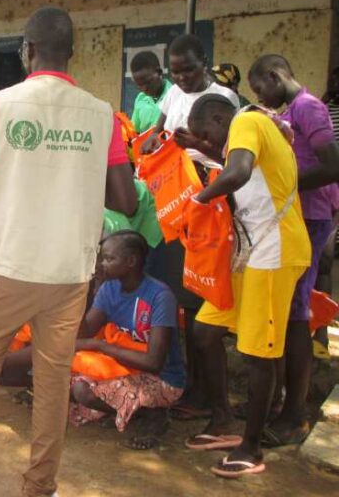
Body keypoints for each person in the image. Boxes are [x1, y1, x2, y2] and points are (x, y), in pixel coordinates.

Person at [0, 6, 137, 497]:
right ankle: (40, 488)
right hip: (68, 274)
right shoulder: (100, 113)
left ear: (27, 52)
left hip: (7, 264)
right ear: (72, 53)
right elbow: (125, 201)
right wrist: (77, 171)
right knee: (52, 381)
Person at [183, 94, 310, 478]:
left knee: (260, 353)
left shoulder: (246, 123)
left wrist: (198, 200)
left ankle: (251, 447)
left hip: (274, 253)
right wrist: (196, 146)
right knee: (204, 330)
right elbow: (240, 168)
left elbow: (237, 172)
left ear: (222, 118)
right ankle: (222, 418)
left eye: (209, 134)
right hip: (251, 252)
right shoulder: (248, 131)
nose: (212, 143)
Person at [139, 34, 240, 417]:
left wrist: (192, 144)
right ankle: (190, 387)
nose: (181, 77)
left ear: (205, 61)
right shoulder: (173, 96)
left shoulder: (222, 101)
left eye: (189, 69)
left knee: (201, 303)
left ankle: (207, 395)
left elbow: (232, 155)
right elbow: (159, 130)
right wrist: (153, 142)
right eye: (175, 71)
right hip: (173, 205)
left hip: (207, 203)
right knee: (181, 296)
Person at [247, 55, 339, 447]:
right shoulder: (293, 111)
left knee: (297, 314)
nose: (262, 99)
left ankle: (294, 416)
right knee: (286, 313)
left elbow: (333, 165)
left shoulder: (308, 107)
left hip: (312, 216)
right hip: (297, 215)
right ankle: (277, 402)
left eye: (261, 90)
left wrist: (284, 184)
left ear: (274, 76)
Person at [69, 231, 185, 449]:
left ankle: (151, 414)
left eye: (109, 259)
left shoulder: (160, 296)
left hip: (162, 378)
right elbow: (83, 335)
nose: (102, 264)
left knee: (81, 390)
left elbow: (154, 363)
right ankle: (127, 408)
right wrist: (89, 290)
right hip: (123, 368)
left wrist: (102, 346)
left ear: (131, 261)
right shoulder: (108, 288)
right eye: (102, 258)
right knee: (59, 375)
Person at [129, 51, 172, 134]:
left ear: (159, 72)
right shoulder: (141, 98)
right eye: (139, 85)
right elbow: (135, 132)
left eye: (148, 82)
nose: (144, 88)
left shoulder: (174, 95)